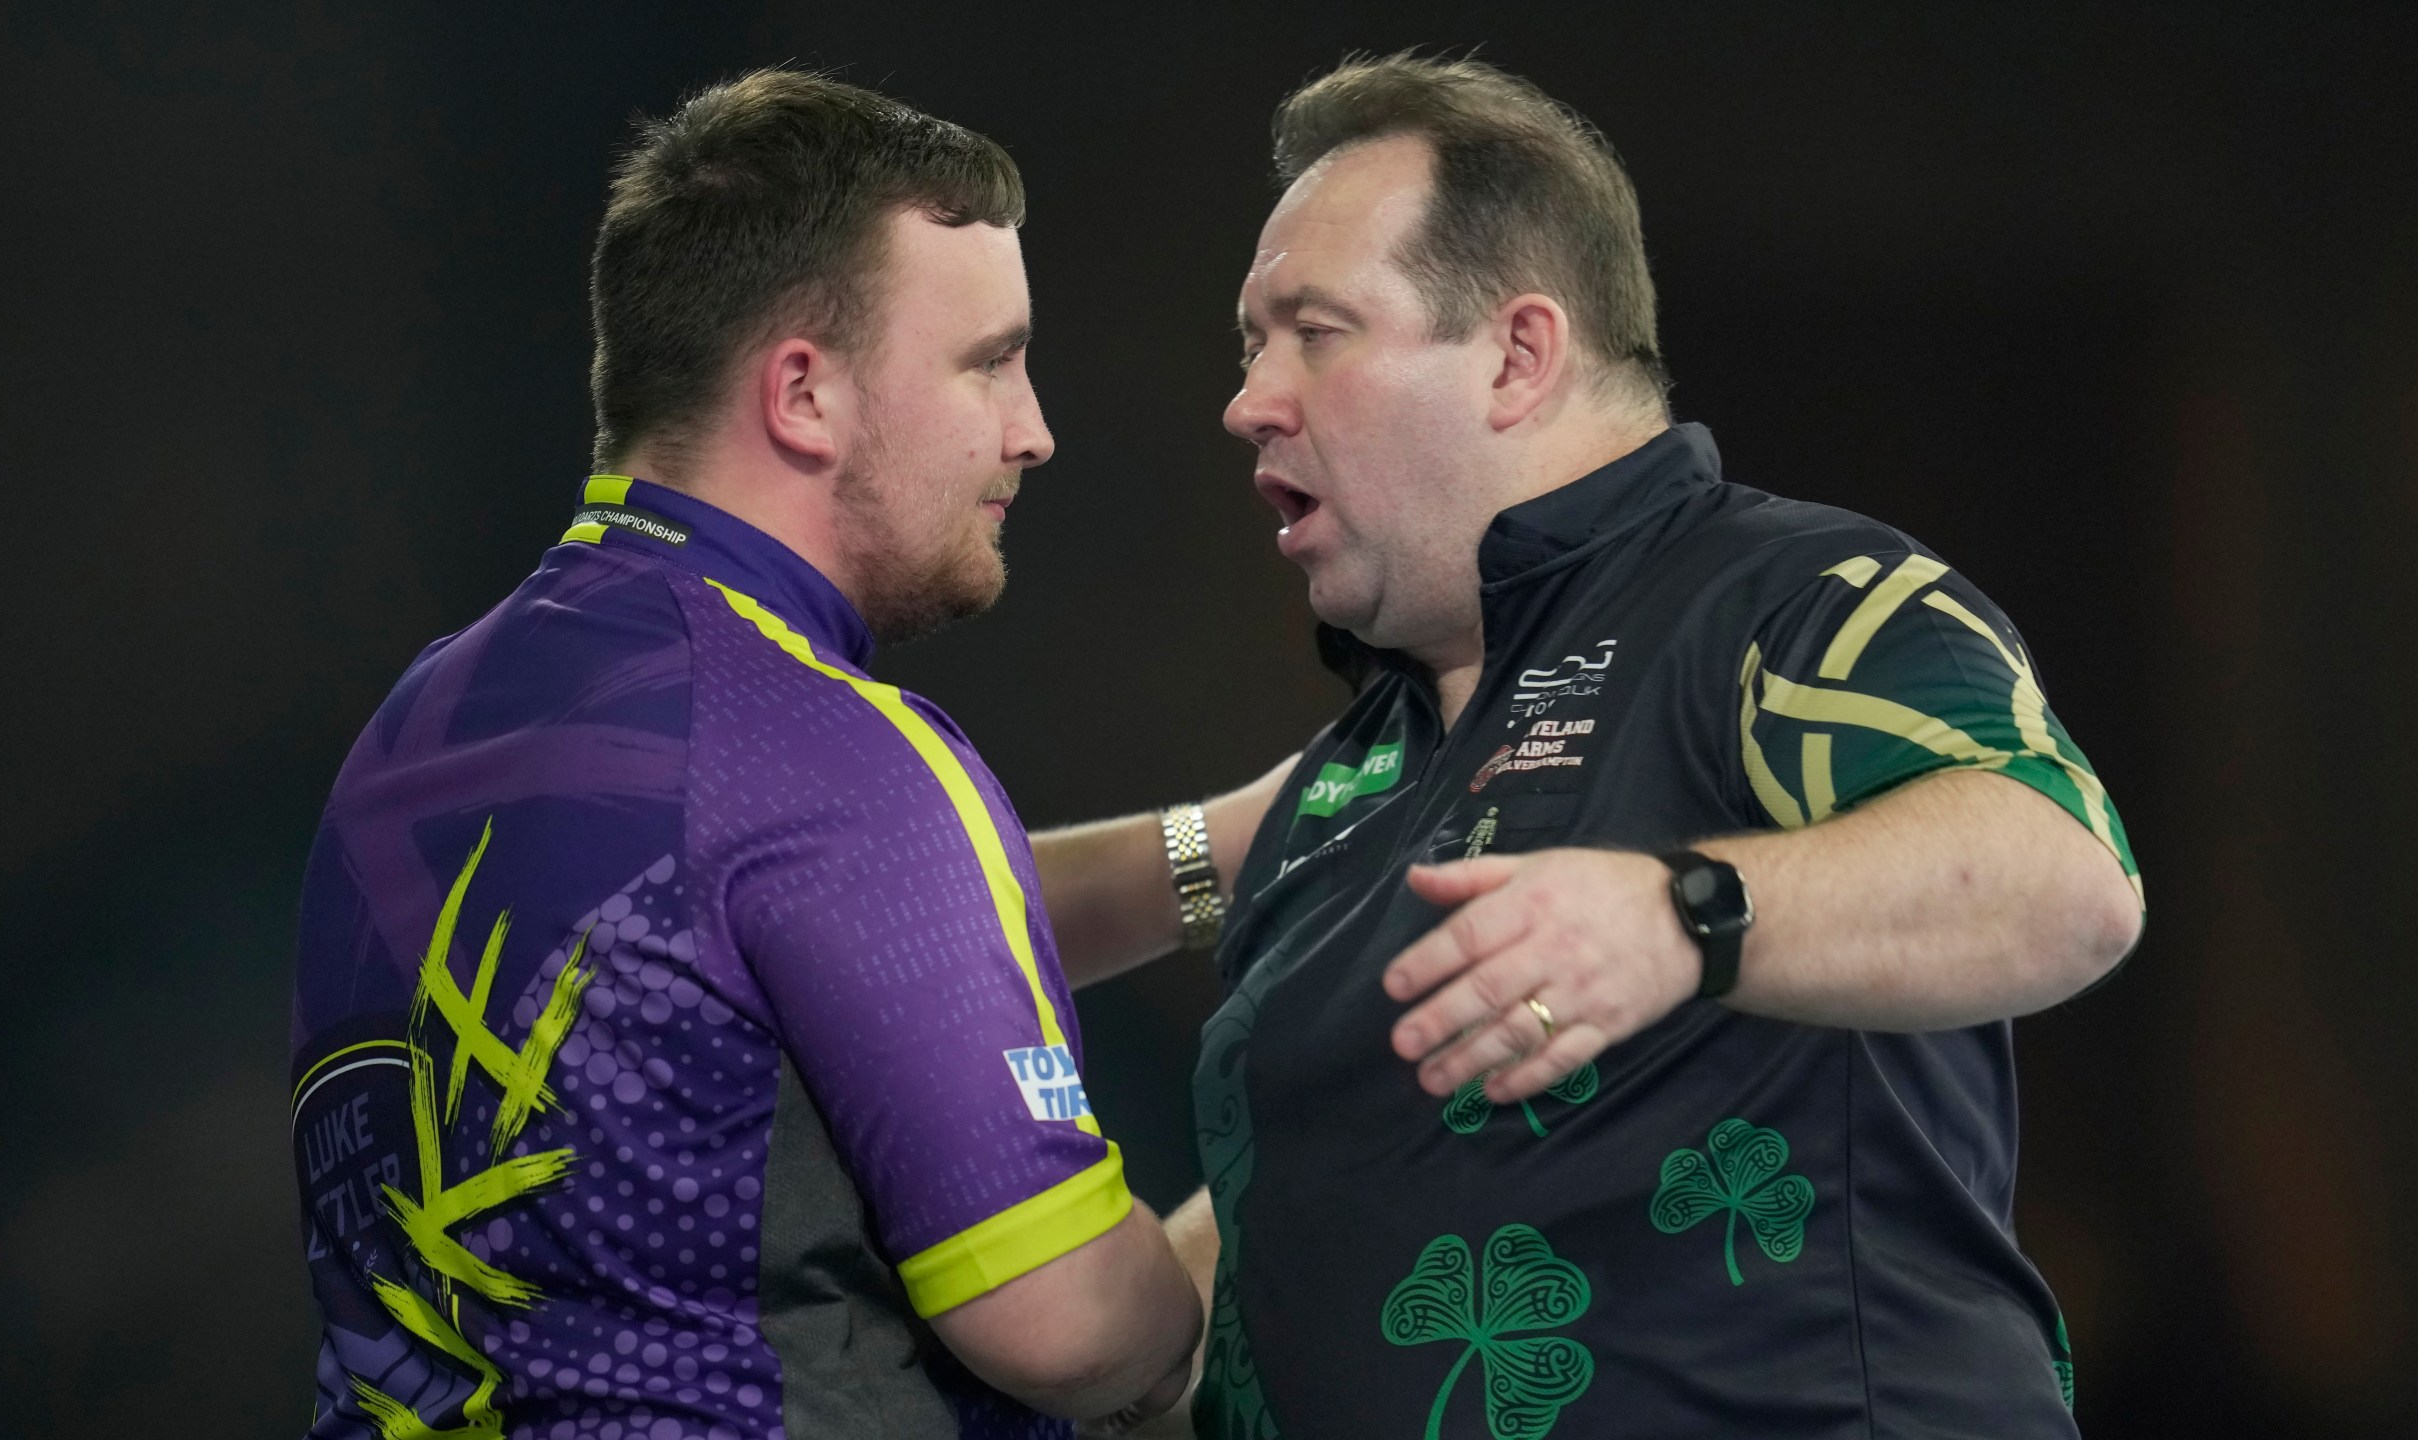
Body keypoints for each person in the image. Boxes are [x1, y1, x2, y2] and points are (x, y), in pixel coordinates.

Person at [1070, 54, 2146, 1438]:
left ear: (1519, 355)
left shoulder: (1787, 599)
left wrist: (1678, 913)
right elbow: (1081, 906)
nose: (1251, 399)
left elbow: (2066, 879)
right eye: (1246, 343)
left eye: (1314, 331)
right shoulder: (1369, 764)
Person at [287, 71, 1217, 1440]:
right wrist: (1278, 1184)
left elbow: (804, 956)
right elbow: (1070, 1327)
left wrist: (1236, 848)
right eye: (988, 362)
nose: (1034, 429)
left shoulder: (420, 725)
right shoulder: (824, 747)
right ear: (803, 393)